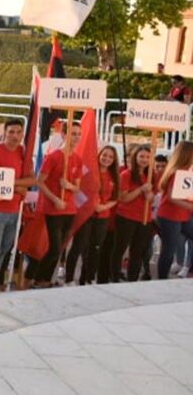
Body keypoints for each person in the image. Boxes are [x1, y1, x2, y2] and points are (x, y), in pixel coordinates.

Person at [0, 119, 36, 293]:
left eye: (18, 132)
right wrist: (18, 186)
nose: (15, 136)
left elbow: (32, 179)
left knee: (3, 250)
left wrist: (10, 182)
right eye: (11, 132)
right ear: (5, 133)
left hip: (14, 211)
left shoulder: (24, 153)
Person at [29, 122, 84, 288]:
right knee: (54, 247)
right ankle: (37, 278)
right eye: (73, 133)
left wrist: (69, 186)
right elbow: (39, 181)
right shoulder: (53, 156)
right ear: (63, 135)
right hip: (54, 209)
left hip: (70, 209)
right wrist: (55, 199)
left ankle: (46, 280)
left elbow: (77, 187)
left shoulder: (77, 159)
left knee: (59, 248)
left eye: (78, 134)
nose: (76, 137)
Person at [64, 146, 119, 285]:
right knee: (78, 246)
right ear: (99, 155)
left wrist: (103, 207)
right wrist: (89, 205)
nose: (107, 159)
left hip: (102, 217)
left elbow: (116, 198)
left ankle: (87, 278)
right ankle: (69, 278)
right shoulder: (88, 171)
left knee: (95, 248)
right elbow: (79, 189)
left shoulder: (114, 176)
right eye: (104, 155)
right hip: (86, 215)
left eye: (110, 157)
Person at [111, 145, 156, 282]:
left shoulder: (151, 175)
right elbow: (122, 198)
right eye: (141, 156)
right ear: (135, 157)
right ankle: (114, 277)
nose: (144, 160)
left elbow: (152, 198)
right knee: (119, 249)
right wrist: (140, 190)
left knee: (137, 252)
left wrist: (150, 195)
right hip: (126, 217)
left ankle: (132, 279)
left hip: (144, 219)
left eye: (148, 157)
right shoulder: (126, 175)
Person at [154, 141, 193, 280]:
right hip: (170, 216)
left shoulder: (186, 171)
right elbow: (171, 197)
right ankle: (162, 280)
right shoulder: (177, 172)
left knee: (169, 249)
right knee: (168, 250)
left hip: (182, 216)